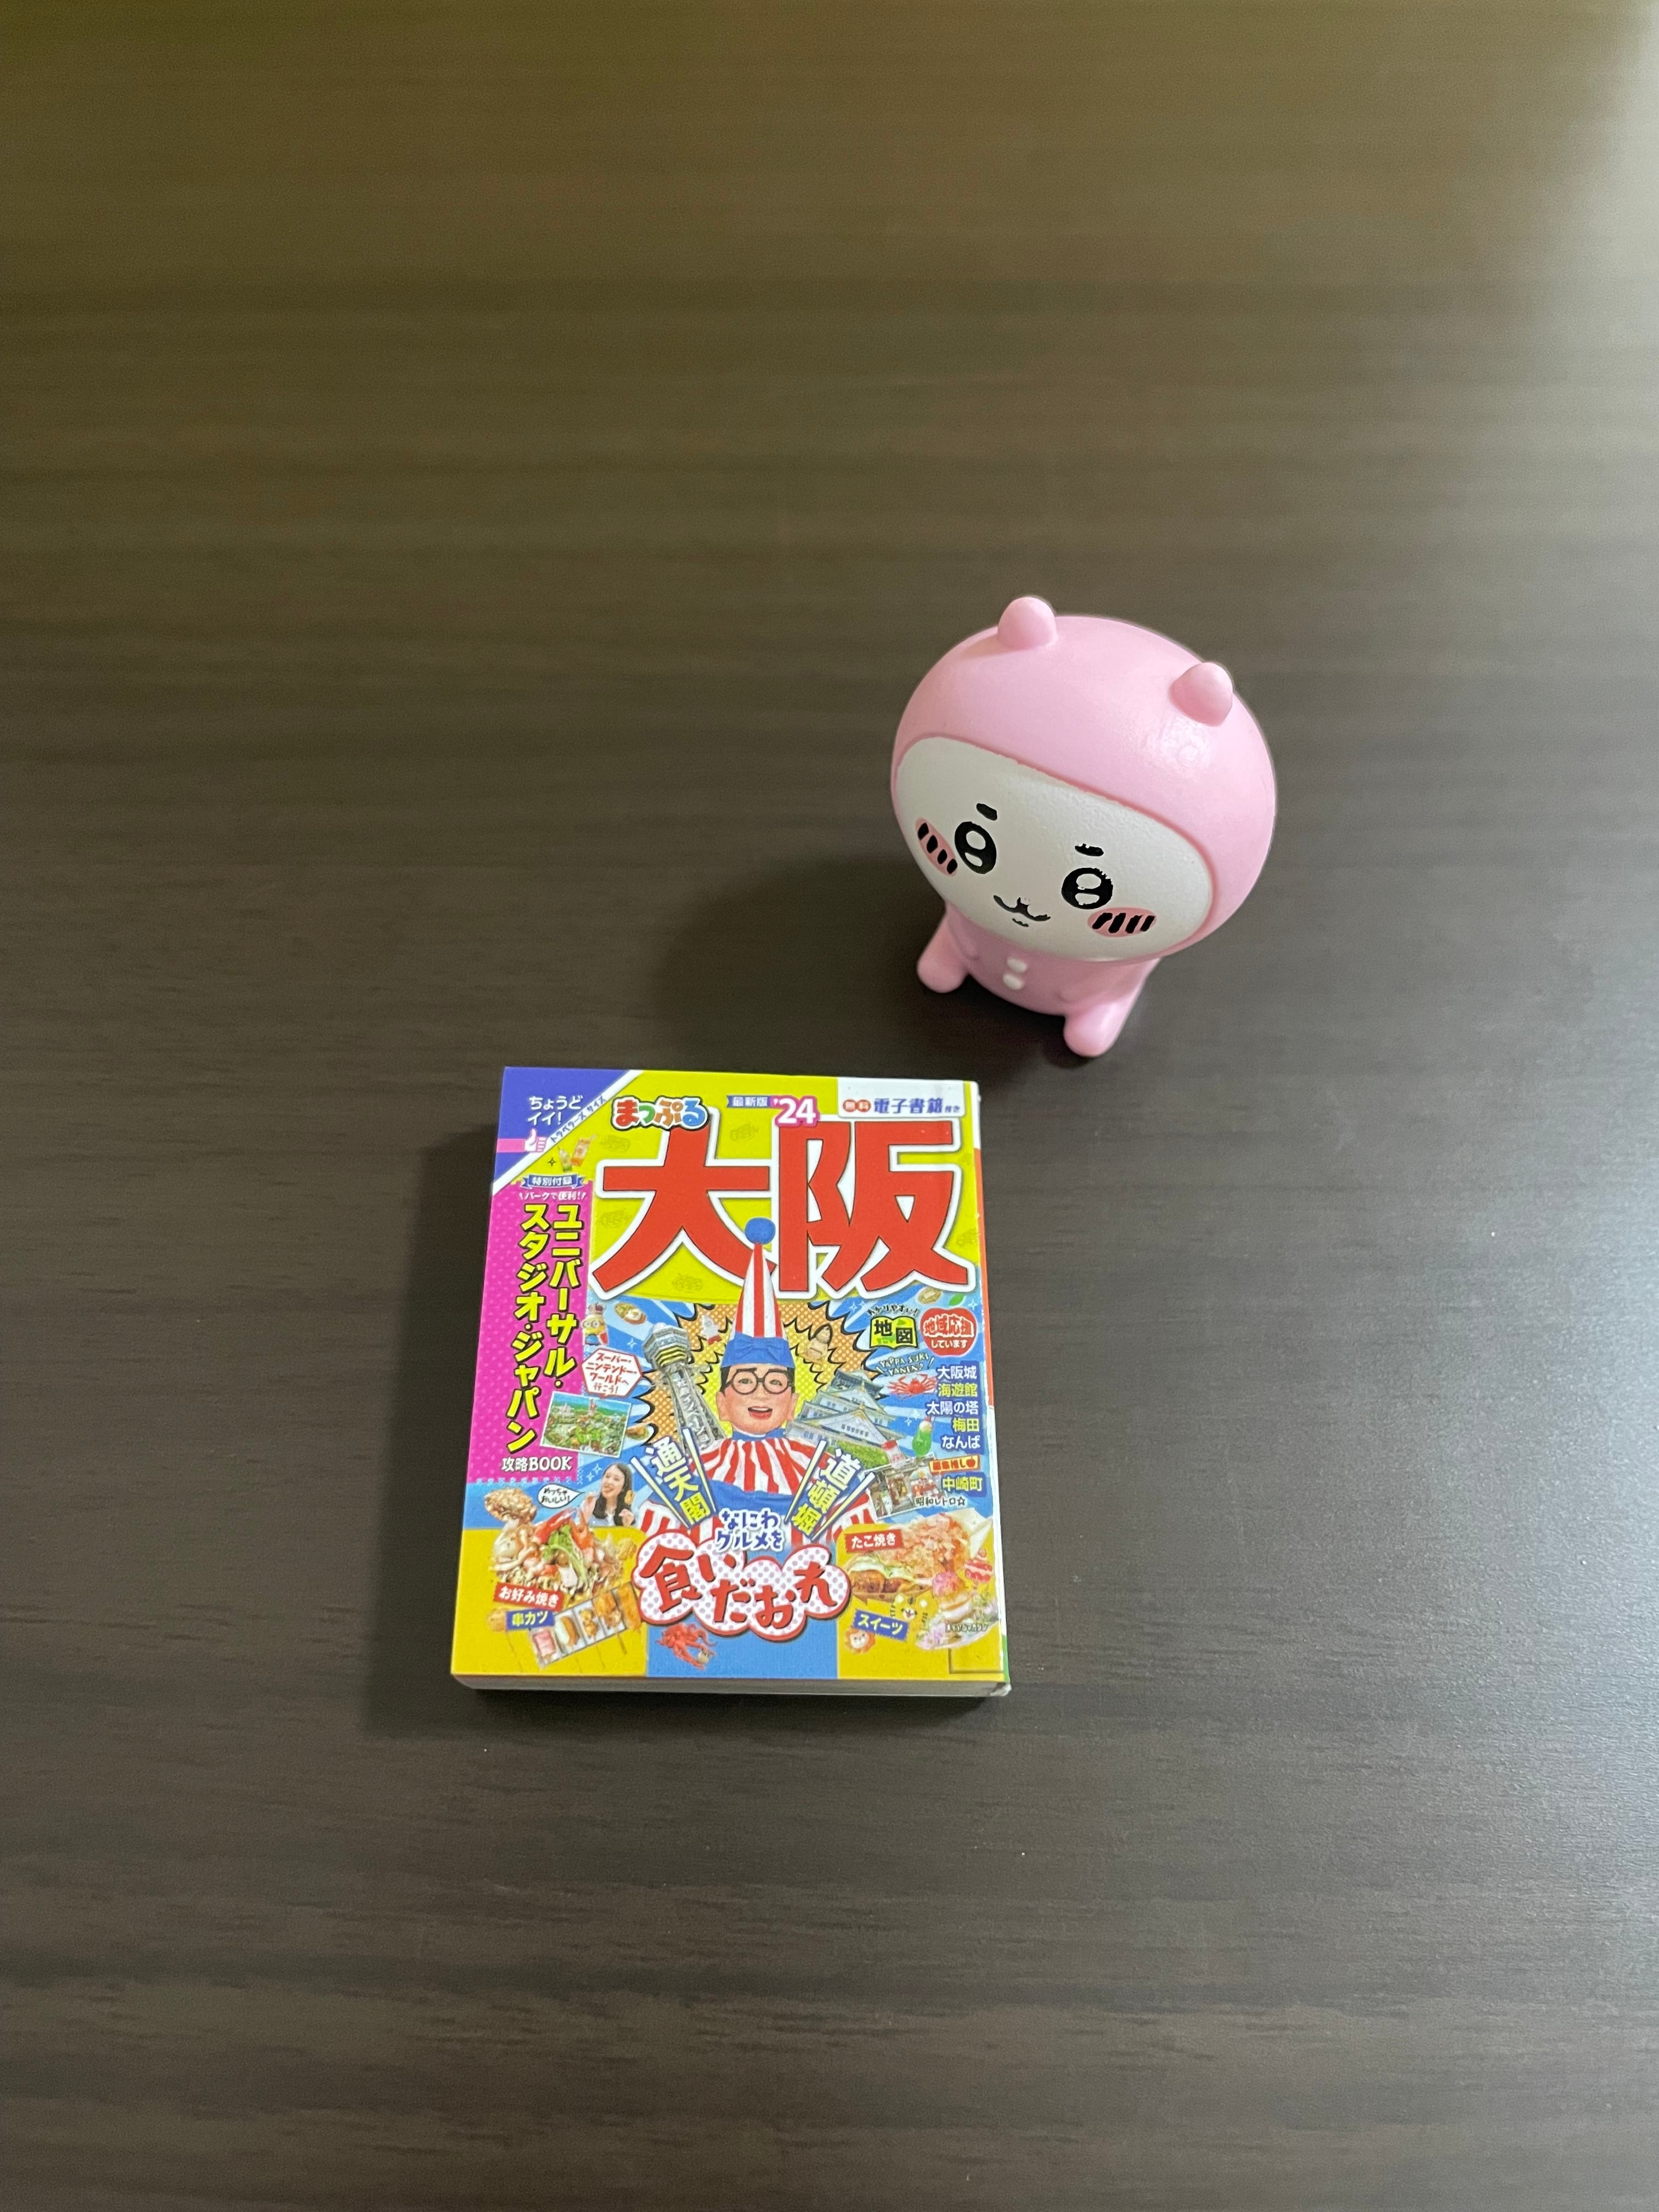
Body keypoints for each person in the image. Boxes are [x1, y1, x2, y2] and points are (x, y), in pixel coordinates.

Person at [699, 1220, 820, 1499]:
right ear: (722, 1404)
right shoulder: (694, 1468)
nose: (761, 1393)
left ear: (792, 1403)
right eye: (745, 1381)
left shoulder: (820, 1466)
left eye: (776, 1382)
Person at [584, 1462, 634, 1526]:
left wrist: (627, 1526)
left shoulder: (632, 1514)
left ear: (624, 1487)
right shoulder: (589, 1504)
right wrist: (586, 1516)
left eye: (616, 1479)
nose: (609, 1482)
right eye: (607, 1477)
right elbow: (576, 1531)